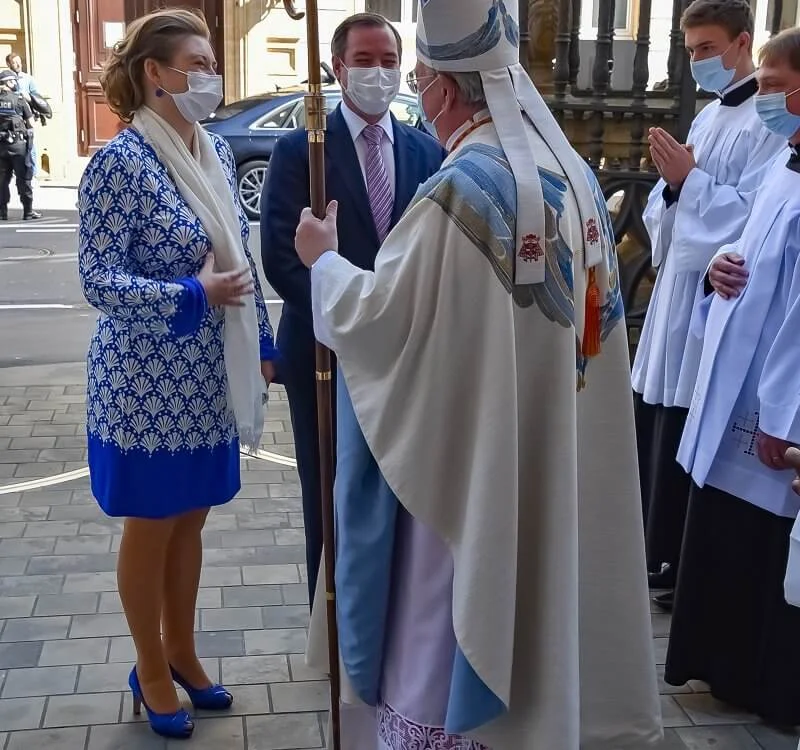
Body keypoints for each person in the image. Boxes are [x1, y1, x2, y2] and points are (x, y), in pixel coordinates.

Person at [298, 1, 661, 747]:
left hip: (468, 465)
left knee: (448, 605)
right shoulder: (573, 172)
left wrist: (324, 263)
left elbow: (380, 322)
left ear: (443, 86)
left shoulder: (463, 189)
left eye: (419, 77)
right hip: (551, 439)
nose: (413, 92)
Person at [78, 9, 277, 739]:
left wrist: (265, 341)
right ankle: (149, 667)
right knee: (152, 524)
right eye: (194, 63)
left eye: (211, 62)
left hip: (206, 379)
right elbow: (97, 281)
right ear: (153, 74)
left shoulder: (215, 153)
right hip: (144, 384)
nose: (208, 75)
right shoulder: (119, 163)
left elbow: (238, 256)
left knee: (191, 519)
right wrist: (193, 295)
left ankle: (183, 653)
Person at [260, 12, 445, 607]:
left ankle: (388, 607)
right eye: (365, 61)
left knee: (398, 479)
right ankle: (332, 614)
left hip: (403, 351)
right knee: (328, 482)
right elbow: (285, 261)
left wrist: (393, 320)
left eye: (389, 62)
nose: (379, 73)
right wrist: (355, 314)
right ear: (338, 68)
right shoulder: (300, 151)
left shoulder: (427, 151)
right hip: (324, 347)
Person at [666, 26, 800, 725]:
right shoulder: (788, 164)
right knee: (724, 532)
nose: (766, 100)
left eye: (777, 87)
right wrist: (720, 267)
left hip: (780, 410)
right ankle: (719, 666)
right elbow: (745, 244)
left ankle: (768, 686)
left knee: (766, 549)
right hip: (737, 386)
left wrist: (786, 418)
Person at [632, 0, 785, 611]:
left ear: (742, 42)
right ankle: (651, 549)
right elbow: (665, 213)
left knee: (689, 425)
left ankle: (675, 558)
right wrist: (674, 186)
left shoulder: (767, 124)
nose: (696, 60)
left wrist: (689, 182)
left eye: (705, 48)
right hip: (674, 294)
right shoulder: (703, 117)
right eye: (690, 49)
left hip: (713, 299)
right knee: (657, 419)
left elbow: (755, 221)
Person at [0, 68, 39, 220]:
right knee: (23, 178)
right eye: (14, 81)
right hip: (18, 146)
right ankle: (28, 211)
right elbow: (30, 123)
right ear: (9, 82)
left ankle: (2, 212)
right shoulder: (19, 100)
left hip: (0, 147)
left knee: (2, 179)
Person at [6, 54, 43, 176]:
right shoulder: (4, 79)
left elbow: (38, 98)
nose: (18, 64)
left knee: (30, 146)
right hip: (9, 119)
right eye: (15, 62)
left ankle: (33, 174)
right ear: (9, 64)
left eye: (19, 61)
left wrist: (26, 97)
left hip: (26, 118)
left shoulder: (28, 79)